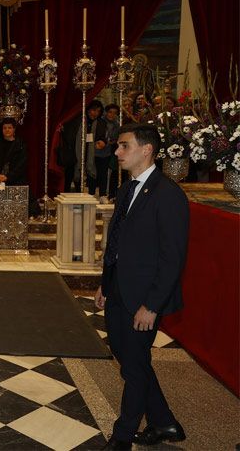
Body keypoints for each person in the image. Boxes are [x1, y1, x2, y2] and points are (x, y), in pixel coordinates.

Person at [95, 122, 189, 450]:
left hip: (145, 298)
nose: (116, 152)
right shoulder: (127, 189)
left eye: (124, 146)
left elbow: (172, 258)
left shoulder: (169, 195)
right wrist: (106, 285)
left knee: (134, 368)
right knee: (126, 356)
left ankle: (122, 437)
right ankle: (164, 422)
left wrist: (152, 305)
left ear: (146, 150)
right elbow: (117, 242)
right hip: (119, 289)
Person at [0, 118, 28, 185]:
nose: (7, 130)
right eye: (4, 128)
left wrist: (8, 177)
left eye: (9, 128)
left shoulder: (21, 145)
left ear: (14, 129)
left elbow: (21, 165)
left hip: (16, 181)